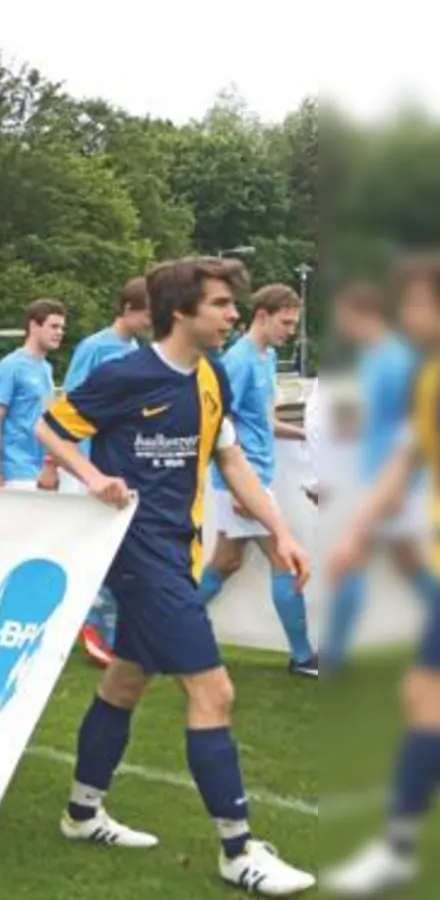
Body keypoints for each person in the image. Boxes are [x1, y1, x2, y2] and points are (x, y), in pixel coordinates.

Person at [38, 256, 315, 896]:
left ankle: (82, 813)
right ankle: (238, 850)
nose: (231, 315)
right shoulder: (125, 376)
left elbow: (232, 460)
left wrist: (283, 532)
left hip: (177, 551)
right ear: (180, 312)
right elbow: (50, 429)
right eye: (220, 304)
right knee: (213, 691)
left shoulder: (212, 375)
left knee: (127, 679)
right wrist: (94, 478)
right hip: (137, 552)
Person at [321, 254, 440, 898]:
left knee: (425, 700)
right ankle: (396, 846)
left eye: (418, 301)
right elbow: (406, 455)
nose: (409, 315)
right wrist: (359, 530)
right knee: (423, 699)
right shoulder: (425, 376)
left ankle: (395, 848)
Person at [193, 284, 315, 676]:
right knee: (286, 560)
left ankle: (169, 630)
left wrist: (305, 434)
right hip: (244, 481)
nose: (290, 331)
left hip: (255, 476)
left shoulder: (267, 357)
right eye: (285, 322)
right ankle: (304, 658)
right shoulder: (238, 361)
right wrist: (235, 488)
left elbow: (261, 419)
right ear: (262, 315)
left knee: (226, 562)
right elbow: (220, 424)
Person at [320, 281, 438, 673]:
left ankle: (332, 657)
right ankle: (334, 654)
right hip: (378, 475)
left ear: (360, 314)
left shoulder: (397, 359)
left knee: (350, 561)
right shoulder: (375, 358)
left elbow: (414, 427)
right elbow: (381, 419)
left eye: (343, 317)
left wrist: (404, 485)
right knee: (409, 565)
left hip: (393, 482)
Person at [68, 277, 154, 667]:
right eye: (149, 313)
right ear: (128, 309)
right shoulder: (95, 348)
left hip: (124, 468)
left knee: (122, 552)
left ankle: (110, 632)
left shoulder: (138, 350)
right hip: (91, 469)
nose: (154, 321)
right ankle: (93, 628)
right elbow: (69, 406)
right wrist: (59, 463)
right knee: (96, 550)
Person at [0, 299, 66, 491]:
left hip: (40, 473)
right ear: (33, 326)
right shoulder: (10, 365)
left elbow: (48, 417)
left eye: (62, 328)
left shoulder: (47, 368)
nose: (59, 333)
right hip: (15, 472)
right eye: (54, 326)